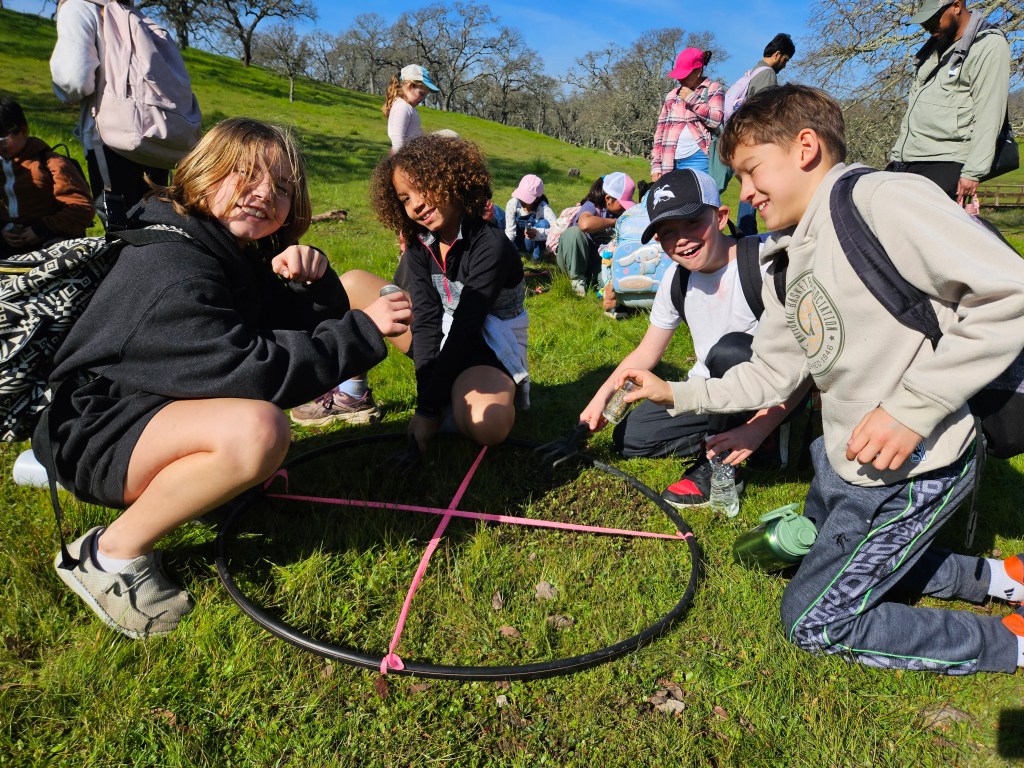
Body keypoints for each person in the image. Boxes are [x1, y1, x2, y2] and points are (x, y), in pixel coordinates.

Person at [618, 83, 1024, 675]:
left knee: (814, 621)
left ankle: (1009, 644)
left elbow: (1009, 294)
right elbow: (770, 374)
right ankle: (997, 576)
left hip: (918, 466)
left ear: (805, 147)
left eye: (752, 170)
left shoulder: (881, 200)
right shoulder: (788, 255)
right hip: (842, 459)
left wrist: (911, 409)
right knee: (815, 558)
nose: (745, 191)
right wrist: (675, 392)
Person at [41, 117, 412, 638]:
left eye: (281, 186)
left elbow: (277, 327)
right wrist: (362, 332)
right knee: (257, 431)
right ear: (203, 172)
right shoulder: (172, 269)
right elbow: (253, 372)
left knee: (255, 431)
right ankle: (108, 557)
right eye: (245, 174)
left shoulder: (216, 246)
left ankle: (200, 490)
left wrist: (312, 285)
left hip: (141, 409)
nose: (264, 194)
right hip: (93, 433)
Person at [580, 169, 808, 508]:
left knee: (729, 350)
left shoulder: (765, 262)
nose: (682, 240)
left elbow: (804, 361)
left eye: (692, 223)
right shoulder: (676, 279)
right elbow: (646, 353)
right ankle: (724, 437)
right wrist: (599, 401)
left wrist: (758, 427)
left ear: (720, 217)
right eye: (668, 233)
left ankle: (724, 461)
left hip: (772, 389)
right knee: (631, 438)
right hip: (710, 390)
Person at [370, 133, 529, 451]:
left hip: (488, 346)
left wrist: (429, 410)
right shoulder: (420, 245)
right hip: (444, 331)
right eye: (405, 198)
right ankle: (353, 394)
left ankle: (470, 392)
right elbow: (426, 319)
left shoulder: (491, 245)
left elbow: (467, 326)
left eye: (423, 186)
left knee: (490, 424)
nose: (416, 204)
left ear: (451, 179)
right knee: (351, 284)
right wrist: (427, 401)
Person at [49, 0, 171, 217]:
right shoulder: (137, 16)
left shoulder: (79, 7)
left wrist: (64, 94)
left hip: (110, 139)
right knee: (159, 221)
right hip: (157, 138)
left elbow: (74, 79)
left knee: (120, 225)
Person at [887, 0, 1011, 202]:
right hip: (908, 160)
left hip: (946, 162)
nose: (928, 27)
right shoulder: (935, 46)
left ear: (956, 6)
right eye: (924, 22)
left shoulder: (988, 45)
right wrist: (896, 156)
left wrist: (973, 172)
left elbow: (990, 112)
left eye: (933, 19)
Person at [0, 96, 94, 255]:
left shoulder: (53, 164)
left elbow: (82, 209)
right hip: (10, 244)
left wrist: (42, 229)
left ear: (23, 131)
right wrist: (3, 229)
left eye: (2, 139)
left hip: (49, 240)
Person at [735, 33, 797, 236]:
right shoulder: (768, 74)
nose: (785, 65)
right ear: (778, 54)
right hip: (756, 139)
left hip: (742, 137)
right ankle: (747, 235)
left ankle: (746, 233)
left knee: (750, 187)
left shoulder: (753, 71)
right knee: (759, 186)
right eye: (786, 60)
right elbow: (765, 112)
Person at [556, 173, 635, 296]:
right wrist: (614, 222)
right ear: (608, 199)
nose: (625, 207)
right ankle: (576, 282)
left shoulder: (622, 213)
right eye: (622, 203)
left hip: (598, 264)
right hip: (574, 263)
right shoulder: (592, 206)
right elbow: (585, 224)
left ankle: (596, 284)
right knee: (574, 232)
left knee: (610, 284)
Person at [650, 48, 724, 180]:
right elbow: (660, 131)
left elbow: (716, 120)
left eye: (685, 74)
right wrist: (656, 164)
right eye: (679, 74)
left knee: (697, 194)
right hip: (669, 161)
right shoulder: (672, 95)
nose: (680, 79)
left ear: (698, 71)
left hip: (699, 159)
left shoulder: (713, 88)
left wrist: (692, 99)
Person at [383, 64, 441, 153]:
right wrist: (400, 159)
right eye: (421, 94)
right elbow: (397, 139)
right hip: (406, 156)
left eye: (425, 96)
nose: (422, 99)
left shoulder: (407, 107)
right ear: (410, 86)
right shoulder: (402, 107)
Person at [504, 174, 557, 262]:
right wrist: (505, 249)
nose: (521, 200)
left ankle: (536, 258)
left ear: (537, 199)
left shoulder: (543, 208)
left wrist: (538, 233)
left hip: (531, 242)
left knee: (544, 223)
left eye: (526, 198)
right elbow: (510, 232)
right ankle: (518, 252)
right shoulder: (512, 204)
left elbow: (557, 231)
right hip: (517, 241)